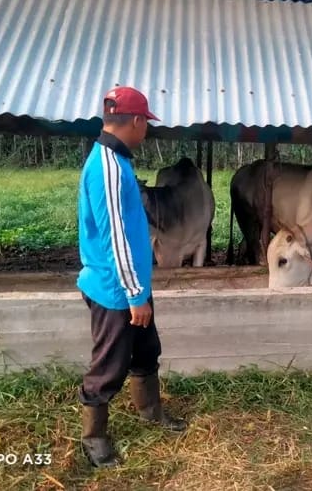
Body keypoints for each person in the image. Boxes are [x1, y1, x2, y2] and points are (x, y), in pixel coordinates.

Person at [76, 85, 185, 468]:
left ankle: (150, 411)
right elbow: (115, 239)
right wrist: (136, 294)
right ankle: (94, 439)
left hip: (132, 284)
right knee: (108, 366)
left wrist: (140, 289)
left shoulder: (117, 160)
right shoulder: (107, 166)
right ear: (136, 121)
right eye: (147, 124)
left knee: (145, 352)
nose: (147, 131)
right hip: (116, 290)